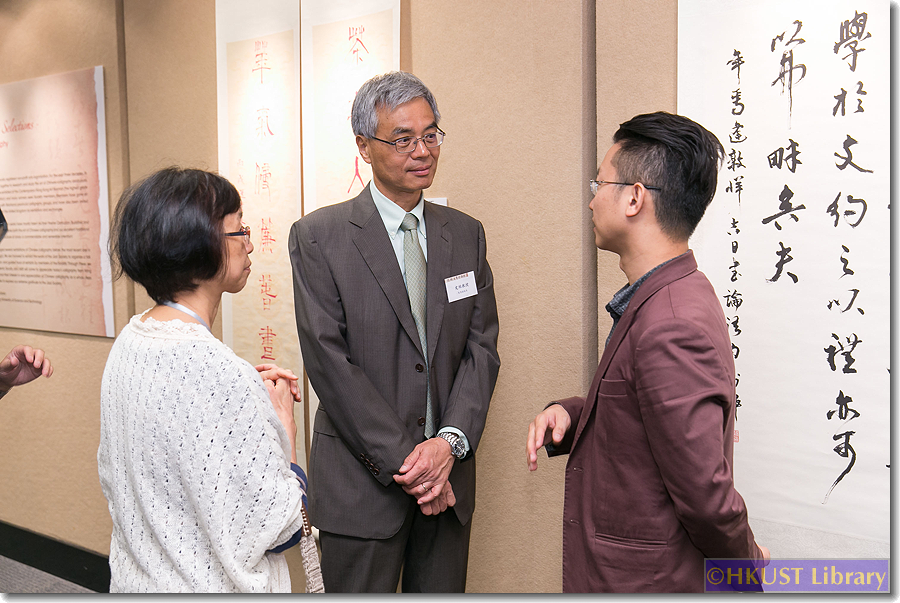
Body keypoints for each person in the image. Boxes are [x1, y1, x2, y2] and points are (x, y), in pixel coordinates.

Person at [526, 112, 768, 592]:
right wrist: (574, 415)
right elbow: (646, 412)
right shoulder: (666, 296)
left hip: (645, 583)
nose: (592, 200)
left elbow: (705, 495)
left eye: (600, 182)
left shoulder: (671, 323)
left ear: (634, 197)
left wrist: (748, 565)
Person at [289, 71, 500, 593]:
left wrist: (448, 445)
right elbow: (329, 363)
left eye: (430, 135)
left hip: (448, 483)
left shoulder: (465, 234)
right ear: (364, 145)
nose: (421, 151)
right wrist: (413, 464)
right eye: (402, 139)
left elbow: (481, 349)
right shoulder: (320, 237)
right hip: (364, 490)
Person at [98, 167, 322, 593]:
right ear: (200, 248)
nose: (251, 244)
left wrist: (242, 406)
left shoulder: (130, 341)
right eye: (239, 232)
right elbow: (284, 526)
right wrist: (283, 428)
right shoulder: (221, 374)